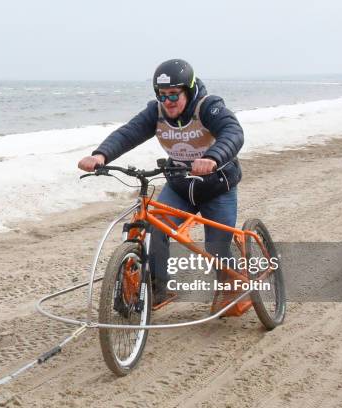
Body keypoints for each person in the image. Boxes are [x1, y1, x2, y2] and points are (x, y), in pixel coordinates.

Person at [78, 59, 245, 311]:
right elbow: (128, 133)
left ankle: (231, 288)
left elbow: (233, 132)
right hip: (180, 187)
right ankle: (159, 289)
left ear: (188, 91)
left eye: (174, 95)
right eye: (162, 95)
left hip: (216, 187)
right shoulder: (155, 112)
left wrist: (212, 158)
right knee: (154, 228)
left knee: (216, 247)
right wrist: (101, 155)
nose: (167, 102)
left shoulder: (208, 107)